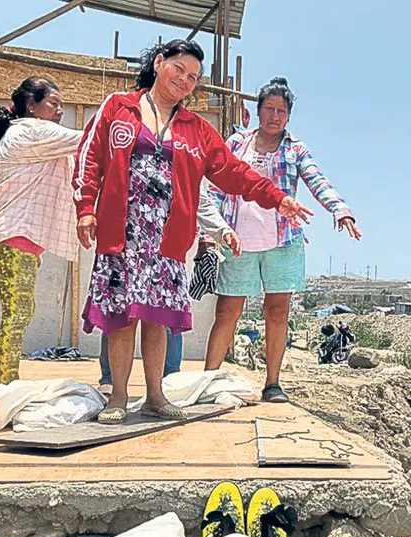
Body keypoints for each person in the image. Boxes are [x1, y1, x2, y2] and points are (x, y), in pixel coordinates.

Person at [73, 40, 312, 424]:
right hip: (124, 233)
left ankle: (154, 396)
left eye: (193, 78)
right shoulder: (118, 108)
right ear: (159, 63)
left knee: (157, 317)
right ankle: (118, 397)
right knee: (121, 317)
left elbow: (233, 172)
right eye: (179, 70)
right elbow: (90, 158)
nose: (184, 81)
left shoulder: (196, 129)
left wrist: (276, 197)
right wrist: (86, 208)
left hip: (167, 240)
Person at [204, 77, 361, 403]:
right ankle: (207, 381)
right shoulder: (236, 144)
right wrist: (211, 231)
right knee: (227, 312)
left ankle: (272, 383)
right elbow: (216, 186)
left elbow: (318, 179)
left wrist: (340, 209)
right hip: (239, 240)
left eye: (282, 111)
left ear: (288, 116)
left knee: (276, 313)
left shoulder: (295, 149)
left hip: (283, 242)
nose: (275, 116)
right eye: (269, 109)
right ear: (258, 110)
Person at [0, 77, 84, 396]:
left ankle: (1, 379)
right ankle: (2, 384)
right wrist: (122, 118)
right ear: (31, 105)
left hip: (12, 236)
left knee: (19, 309)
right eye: (53, 103)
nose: (60, 111)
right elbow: (87, 140)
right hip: (14, 235)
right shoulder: (30, 130)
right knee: (18, 310)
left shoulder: (27, 132)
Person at [97, 186, 236, 394]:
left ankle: (168, 382)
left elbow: (200, 199)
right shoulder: (123, 154)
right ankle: (111, 382)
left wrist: (220, 231)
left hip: (167, 248)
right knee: (120, 313)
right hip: (126, 242)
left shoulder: (183, 155)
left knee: (167, 316)